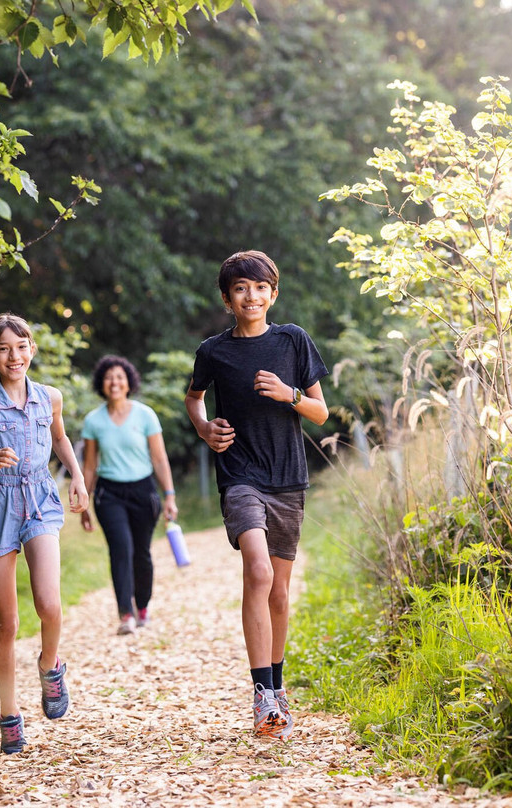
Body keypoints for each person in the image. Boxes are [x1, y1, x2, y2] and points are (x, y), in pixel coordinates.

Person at [184, 250, 328, 740]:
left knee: (280, 593)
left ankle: (278, 687)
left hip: (287, 478)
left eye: (260, 287)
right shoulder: (214, 351)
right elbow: (194, 398)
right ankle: (262, 693)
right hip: (240, 475)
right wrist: (204, 428)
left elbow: (321, 412)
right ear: (228, 299)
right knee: (259, 572)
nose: (252, 295)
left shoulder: (293, 341)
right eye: (241, 288)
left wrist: (290, 394)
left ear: (273, 293)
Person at [0, 313, 89, 755]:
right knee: (6, 622)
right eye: (4, 349)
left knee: (49, 604)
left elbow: (60, 439)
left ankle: (50, 665)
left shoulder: (50, 397)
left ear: (32, 349)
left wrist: (77, 477)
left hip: (41, 500)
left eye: (22, 346)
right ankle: (9, 715)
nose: (15, 356)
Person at [79, 356, 178, 635]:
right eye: (109, 377)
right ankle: (125, 613)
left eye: (120, 377)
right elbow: (90, 465)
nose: (114, 382)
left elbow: (159, 459)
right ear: (101, 383)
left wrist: (169, 495)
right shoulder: (93, 421)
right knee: (121, 549)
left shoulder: (145, 415)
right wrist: (84, 503)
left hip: (143, 491)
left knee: (141, 553)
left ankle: (142, 605)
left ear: (129, 382)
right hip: (109, 493)